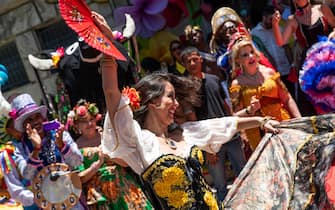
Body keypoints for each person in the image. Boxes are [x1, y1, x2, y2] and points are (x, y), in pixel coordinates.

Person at [94, 10, 279, 209]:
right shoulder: (141, 143)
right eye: (170, 97)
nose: (176, 104)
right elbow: (112, 94)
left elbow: (226, 123)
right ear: (153, 102)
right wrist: (107, 45)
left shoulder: (185, 133)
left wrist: (261, 121)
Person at [223, 114, 335, 209]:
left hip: (280, 126)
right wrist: (258, 119)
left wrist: (261, 121)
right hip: (274, 134)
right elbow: (220, 125)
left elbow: (288, 99)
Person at [181, 46, 247, 201]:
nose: (192, 63)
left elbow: (226, 106)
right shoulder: (186, 89)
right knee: (220, 185)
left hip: (230, 135)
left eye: (195, 59)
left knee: (244, 174)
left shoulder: (214, 79)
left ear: (201, 59)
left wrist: (239, 130)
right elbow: (193, 122)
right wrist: (207, 148)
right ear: (183, 64)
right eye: (188, 61)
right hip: (210, 142)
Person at [68, 99, 154, 209]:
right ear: (76, 126)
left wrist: (109, 156)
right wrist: (97, 165)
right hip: (100, 195)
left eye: (91, 119)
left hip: (122, 187)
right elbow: (79, 178)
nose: (89, 124)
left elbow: (127, 163)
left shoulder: (108, 136)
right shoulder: (75, 147)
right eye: (84, 122)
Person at [10, 93, 85, 209]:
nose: (35, 121)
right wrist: (36, 150)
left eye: (37, 116)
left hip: (72, 200)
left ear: (42, 117)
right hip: (48, 205)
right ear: (24, 126)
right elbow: (27, 175)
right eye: (29, 119)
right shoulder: (21, 148)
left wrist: (61, 146)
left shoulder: (59, 133)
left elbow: (78, 162)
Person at [229, 35, 301, 151]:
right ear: (238, 60)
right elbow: (235, 116)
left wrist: (298, 118)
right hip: (257, 134)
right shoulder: (236, 84)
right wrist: (249, 110)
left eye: (251, 52)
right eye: (245, 55)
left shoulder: (269, 72)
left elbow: (287, 98)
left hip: (282, 123)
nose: (250, 56)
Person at [272, 0, 335, 115]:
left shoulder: (322, 8)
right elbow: (281, 42)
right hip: (310, 65)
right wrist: (275, 24)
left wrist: (332, 35)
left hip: (329, 57)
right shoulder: (293, 19)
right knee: (317, 100)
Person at [251, 5, 295, 96]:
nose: (273, 22)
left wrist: (292, 65)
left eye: (274, 19)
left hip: (286, 70)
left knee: (292, 95)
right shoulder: (254, 34)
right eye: (270, 19)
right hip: (271, 73)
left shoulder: (279, 28)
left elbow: (286, 48)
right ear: (264, 17)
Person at [0, 116, 38, 210]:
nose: (22, 125)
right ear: (9, 130)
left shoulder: (37, 139)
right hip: (34, 205)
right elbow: (15, 188)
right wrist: (39, 199)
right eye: (16, 123)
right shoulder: (7, 154)